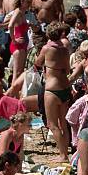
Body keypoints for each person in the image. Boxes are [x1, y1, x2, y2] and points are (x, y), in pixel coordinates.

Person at [35, 21, 71, 162]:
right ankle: (65, 153)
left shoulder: (47, 48)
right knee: (63, 123)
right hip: (65, 87)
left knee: (52, 124)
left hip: (52, 88)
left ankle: (63, 155)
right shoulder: (65, 49)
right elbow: (68, 70)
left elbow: (37, 62)